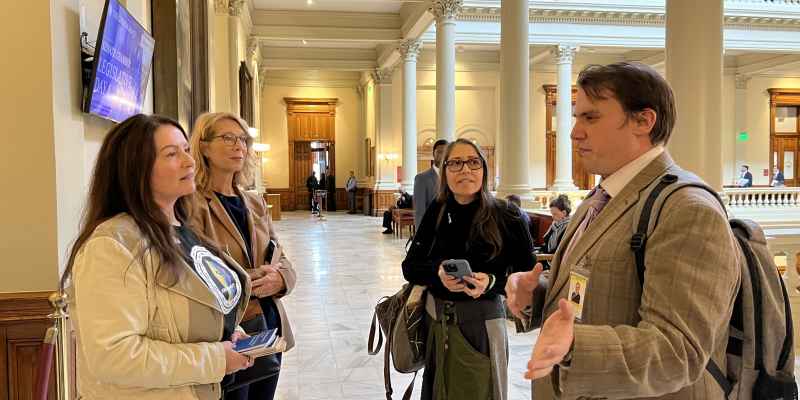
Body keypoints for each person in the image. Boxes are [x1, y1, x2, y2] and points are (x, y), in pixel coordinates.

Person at [505, 62, 740, 399]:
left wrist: (574, 345)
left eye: (590, 117)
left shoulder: (687, 209)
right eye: (576, 117)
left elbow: (677, 352)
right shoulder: (601, 198)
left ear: (643, 121)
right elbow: (599, 286)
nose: (574, 132)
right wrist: (536, 294)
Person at [61, 114, 254, 399]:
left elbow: (198, 308)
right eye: (172, 154)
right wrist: (215, 358)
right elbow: (114, 356)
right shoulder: (111, 246)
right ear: (136, 168)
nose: (189, 162)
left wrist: (231, 333)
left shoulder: (182, 229)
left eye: (186, 150)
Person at [402, 139, 536, 400]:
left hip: (483, 325)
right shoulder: (437, 211)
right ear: (444, 171)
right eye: (455, 163)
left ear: (484, 169)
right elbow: (410, 267)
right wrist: (438, 274)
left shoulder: (507, 215)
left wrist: (492, 282)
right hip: (438, 323)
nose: (465, 170)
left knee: (481, 390)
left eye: (473, 162)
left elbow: (529, 278)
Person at [190, 112, 296, 400]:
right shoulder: (191, 204)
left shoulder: (253, 201)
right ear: (203, 146)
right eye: (228, 138)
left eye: (243, 140)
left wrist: (280, 279)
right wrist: (250, 279)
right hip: (230, 332)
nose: (239, 146)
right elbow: (193, 272)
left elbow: (281, 257)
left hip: (269, 325)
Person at [414, 139, 448, 229]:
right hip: (432, 229)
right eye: (439, 152)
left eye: (445, 152)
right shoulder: (421, 178)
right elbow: (419, 212)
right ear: (433, 154)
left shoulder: (453, 177)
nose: (442, 155)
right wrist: (421, 237)